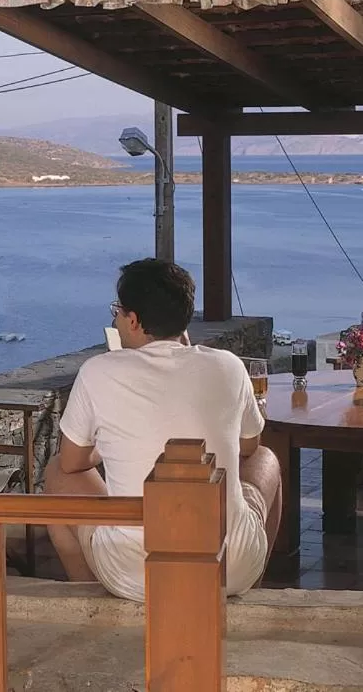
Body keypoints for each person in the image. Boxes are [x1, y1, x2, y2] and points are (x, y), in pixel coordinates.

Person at [43, 258, 282, 602]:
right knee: (267, 459)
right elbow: (249, 447)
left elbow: (71, 462)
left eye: (118, 311)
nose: (115, 318)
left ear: (134, 320)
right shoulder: (228, 365)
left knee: (55, 472)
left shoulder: (99, 371)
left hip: (135, 574)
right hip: (229, 569)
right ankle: (249, 595)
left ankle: (93, 602)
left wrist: (107, 439)